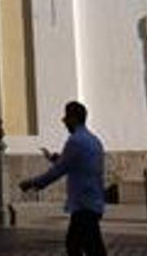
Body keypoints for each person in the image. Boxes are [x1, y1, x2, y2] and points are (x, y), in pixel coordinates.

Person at [19, 101, 107, 256]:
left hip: (84, 203)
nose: (64, 121)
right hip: (93, 201)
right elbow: (73, 162)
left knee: (77, 246)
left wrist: (32, 183)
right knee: (87, 246)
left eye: (66, 117)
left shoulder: (75, 141)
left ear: (74, 118)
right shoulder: (93, 140)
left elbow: (58, 171)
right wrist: (53, 158)